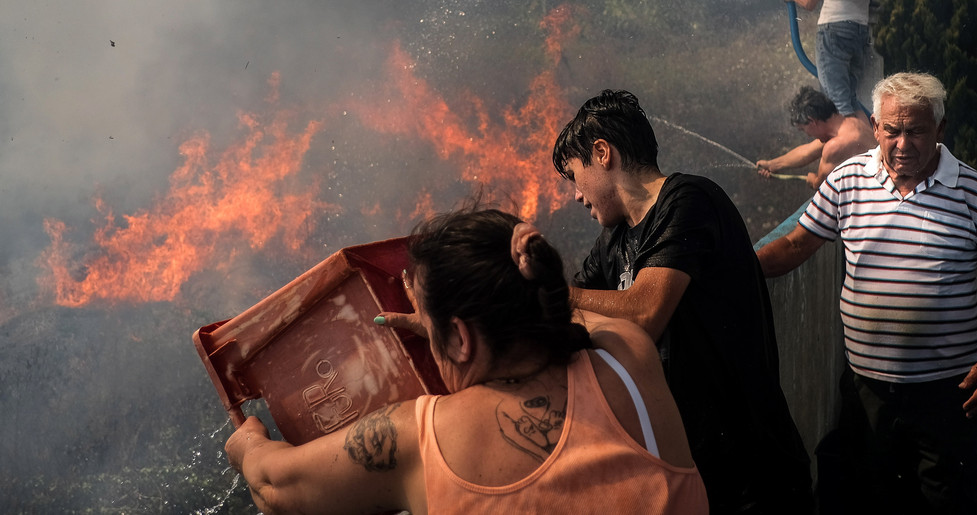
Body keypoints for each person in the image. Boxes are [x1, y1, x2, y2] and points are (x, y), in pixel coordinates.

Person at [225, 206, 709, 515]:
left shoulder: (420, 439)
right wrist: (450, 323)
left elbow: (273, 485)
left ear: (460, 338)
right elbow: (564, 306)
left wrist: (248, 442)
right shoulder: (627, 355)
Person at [756, 72, 977, 514]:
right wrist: (732, 269)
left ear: (939, 131)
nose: (903, 144)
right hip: (867, 392)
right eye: (893, 131)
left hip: (949, 394)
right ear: (876, 127)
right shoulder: (846, 180)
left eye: (916, 131)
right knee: (872, 497)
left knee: (947, 502)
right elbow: (794, 245)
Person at [553, 89, 814, 514]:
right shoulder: (613, 240)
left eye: (573, 175)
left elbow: (643, 313)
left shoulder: (690, 200)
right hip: (689, 473)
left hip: (753, 474)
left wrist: (552, 295)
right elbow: (568, 308)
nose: (577, 195)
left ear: (602, 153)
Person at [757, 85, 877, 189]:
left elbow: (819, 185)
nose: (808, 134)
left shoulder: (835, 146)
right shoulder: (853, 120)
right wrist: (772, 165)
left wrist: (811, 179)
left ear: (811, 121)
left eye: (803, 129)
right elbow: (807, 151)